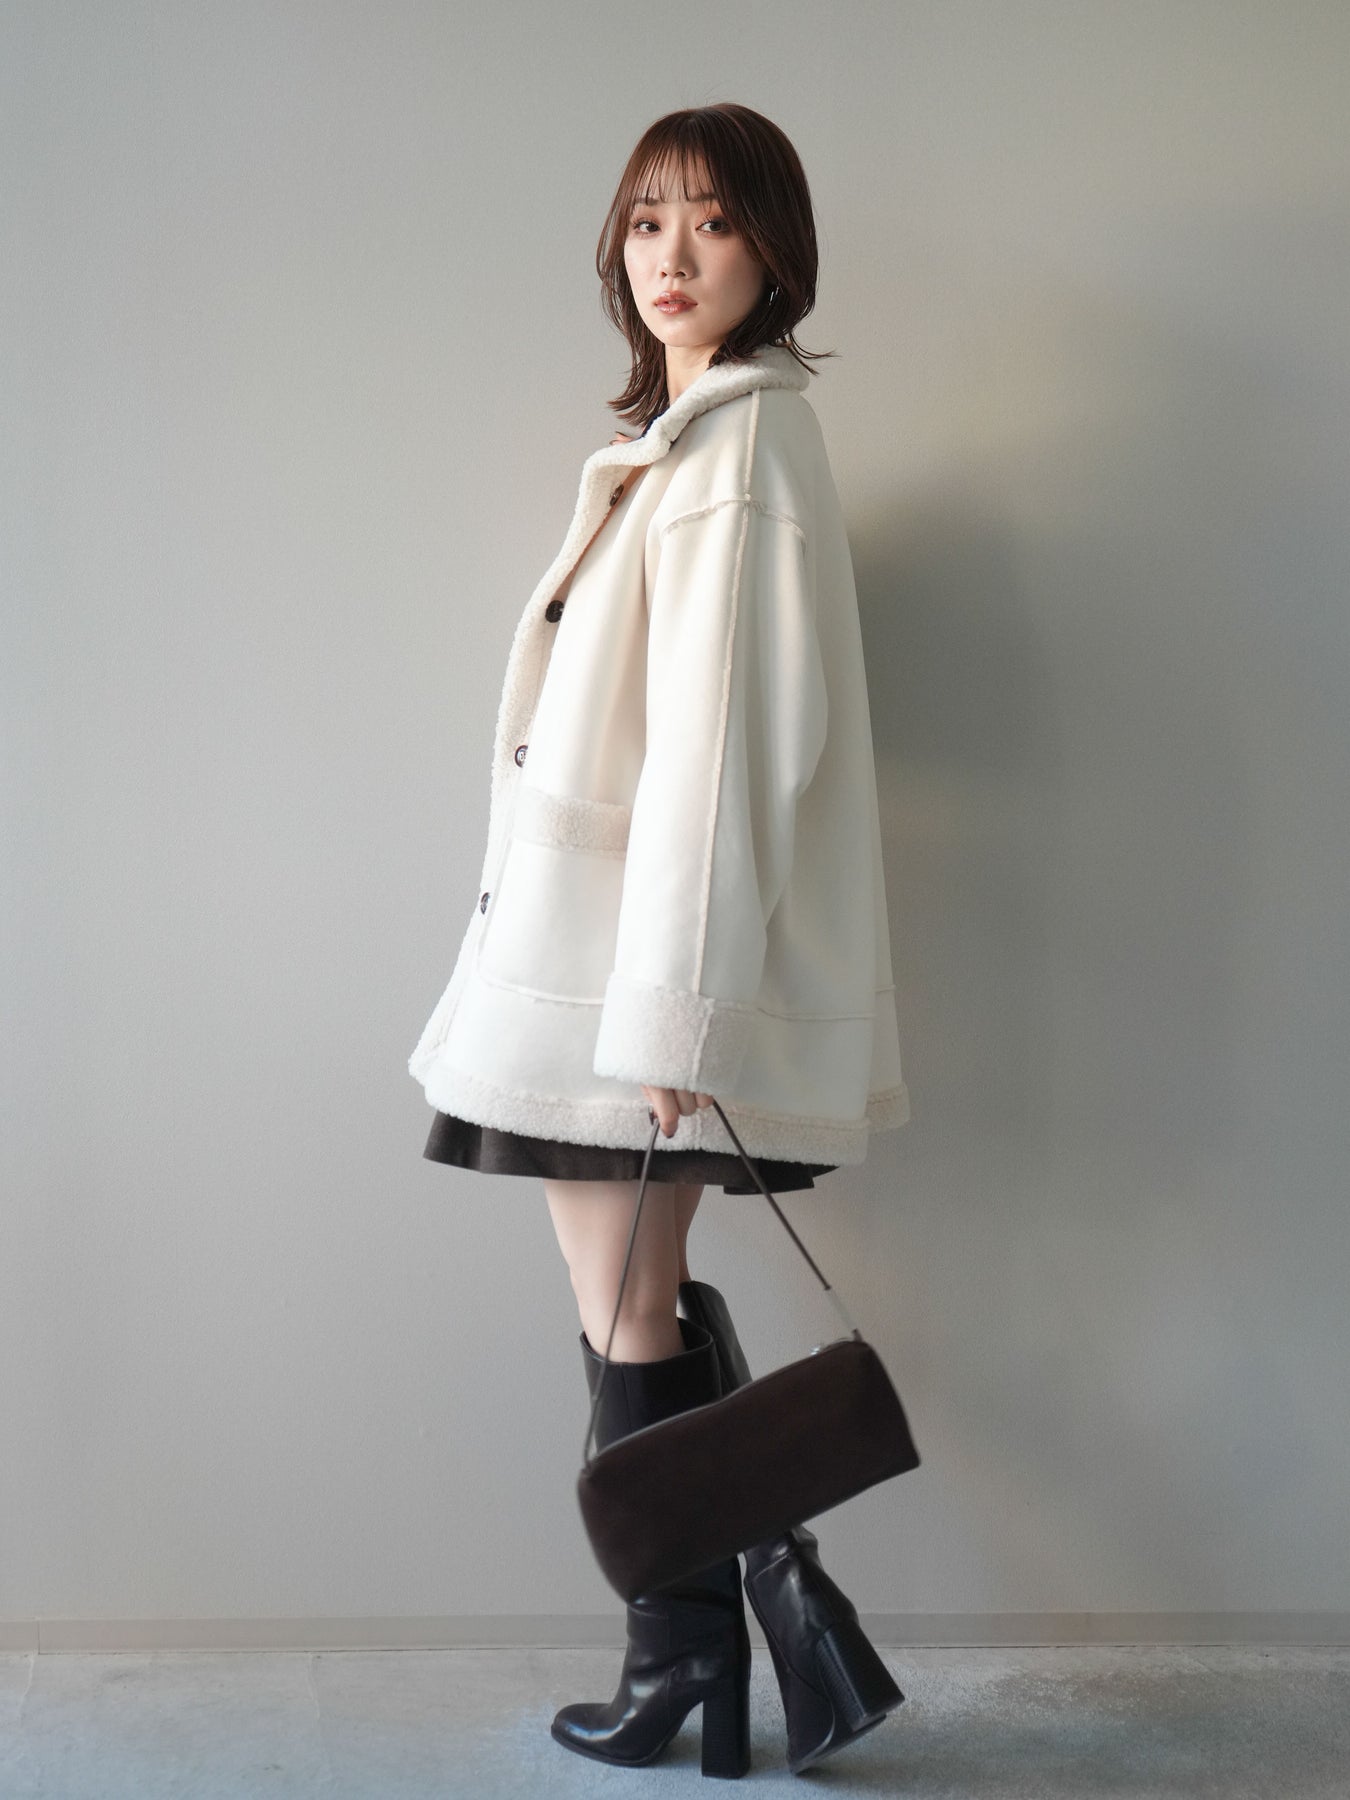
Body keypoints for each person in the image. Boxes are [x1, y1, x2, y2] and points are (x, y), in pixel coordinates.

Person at [408, 103, 910, 1778]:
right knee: (633, 1290)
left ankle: (693, 1648)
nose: (671, 256)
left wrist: (677, 1012)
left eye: (710, 220)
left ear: (773, 246)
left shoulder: (742, 451)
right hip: (599, 950)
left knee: (622, 1298)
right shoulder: (690, 443)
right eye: (644, 222)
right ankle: (769, 1616)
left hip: (628, 968)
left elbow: (722, 751)